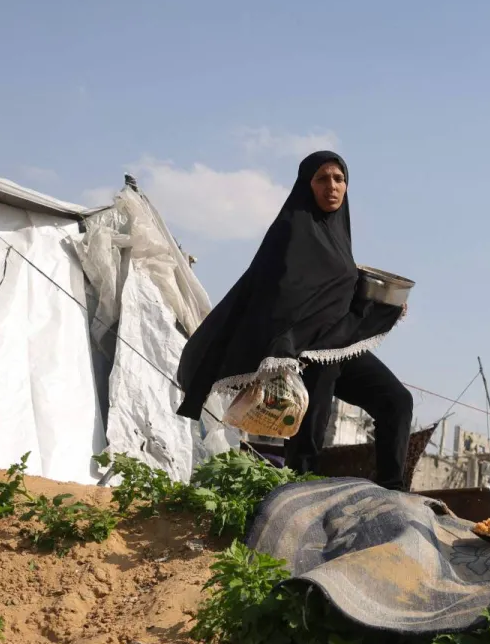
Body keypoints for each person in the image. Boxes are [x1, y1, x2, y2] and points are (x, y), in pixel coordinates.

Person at [175, 152, 414, 490]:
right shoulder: (291, 230)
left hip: (339, 346)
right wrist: (285, 347)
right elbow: (281, 294)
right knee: (309, 434)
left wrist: (385, 308)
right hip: (307, 354)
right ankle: (295, 499)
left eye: (339, 179)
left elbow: (336, 293)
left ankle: (394, 491)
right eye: (322, 179)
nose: (332, 186)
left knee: (397, 401)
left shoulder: (338, 236)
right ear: (307, 184)